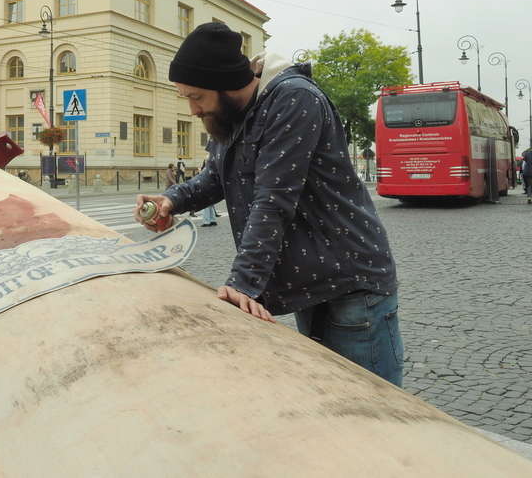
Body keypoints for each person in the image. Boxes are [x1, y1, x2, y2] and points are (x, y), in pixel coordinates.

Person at [134, 22, 403, 386]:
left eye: (196, 97)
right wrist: (170, 199)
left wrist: (242, 285)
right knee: (333, 400)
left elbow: (273, 199)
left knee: (377, 409)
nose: (193, 110)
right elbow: (215, 177)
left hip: (351, 281)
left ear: (224, 85)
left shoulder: (294, 98)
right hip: (310, 284)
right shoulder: (229, 116)